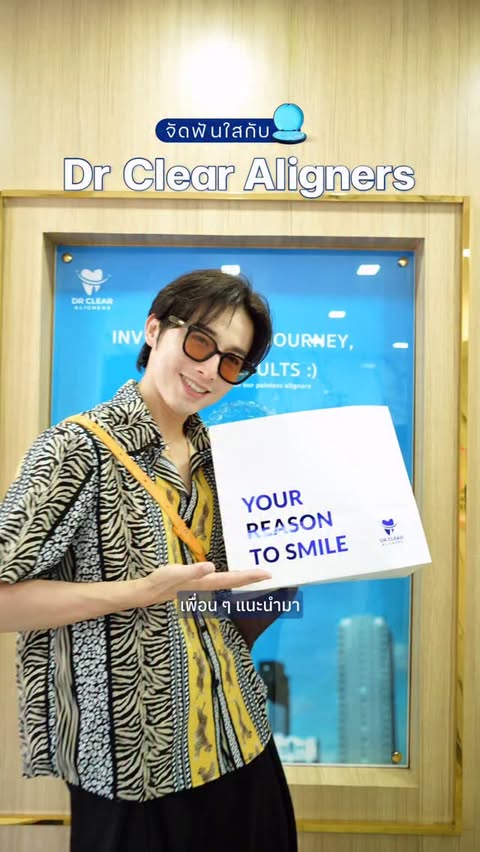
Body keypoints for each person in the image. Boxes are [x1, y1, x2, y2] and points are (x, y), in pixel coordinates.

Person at [0, 269, 298, 852]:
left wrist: (284, 578)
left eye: (232, 361)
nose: (209, 370)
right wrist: (141, 591)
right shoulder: (76, 448)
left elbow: (219, 607)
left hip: (238, 734)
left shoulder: (221, 458)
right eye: (200, 342)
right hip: (130, 761)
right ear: (155, 329)